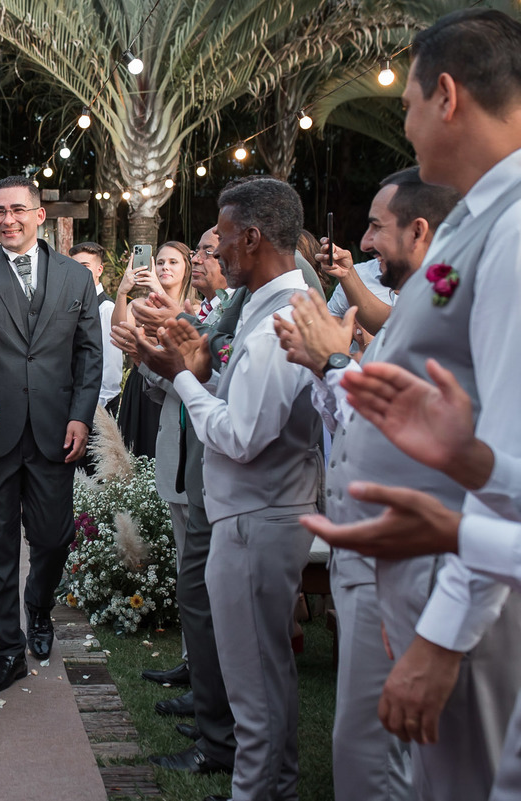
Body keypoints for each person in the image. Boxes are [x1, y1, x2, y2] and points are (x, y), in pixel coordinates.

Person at [295, 11, 521, 799]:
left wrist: (444, 633)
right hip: (430, 565)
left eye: (408, 108)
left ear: (447, 96)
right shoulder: (479, 217)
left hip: (469, 579)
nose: (410, 129)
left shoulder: (515, 227)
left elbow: (507, 452)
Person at [122, 177, 322, 801]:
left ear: (254, 237)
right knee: (262, 680)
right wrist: (179, 365)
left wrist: (182, 376)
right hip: (255, 510)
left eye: (224, 235)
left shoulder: (278, 321)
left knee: (255, 685)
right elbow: (233, 396)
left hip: (256, 517)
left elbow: (238, 435)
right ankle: (272, 788)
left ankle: (258, 792)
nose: (217, 248)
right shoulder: (266, 309)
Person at [275, 166, 460, 801]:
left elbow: (403, 427)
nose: (367, 241)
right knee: (366, 742)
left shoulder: (441, 310)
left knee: (376, 748)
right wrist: (323, 363)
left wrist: (331, 362)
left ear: (420, 230)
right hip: (368, 549)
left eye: (378, 229)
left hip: (406, 554)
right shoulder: (416, 308)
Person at [0, 176, 103, 692]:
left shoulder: (75, 278)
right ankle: (7, 649)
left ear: (39, 215)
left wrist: (81, 414)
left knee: (54, 538)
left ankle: (39, 605)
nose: (6, 219)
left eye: (16, 210)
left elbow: (88, 353)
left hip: (57, 430)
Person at [137, 228, 237, 780]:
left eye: (205, 251)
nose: (202, 259)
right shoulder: (218, 311)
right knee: (194, 588)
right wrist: (157, 362)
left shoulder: (236, 313)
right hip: (192, 454)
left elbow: (217, 388)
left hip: (230, 473)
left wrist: (177, 357)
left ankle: (221, 733)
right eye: (196, 251)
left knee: (216, 604)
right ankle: (208, 704)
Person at [113, 241, 194, 458]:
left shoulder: (194, 308)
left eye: (173, 262)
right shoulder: (140, 304)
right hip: (141, 384)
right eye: (159, 263)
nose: (165, 267)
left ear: (186, 267)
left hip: (176, 385)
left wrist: (159, 291)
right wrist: (122, 292)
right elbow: (118, 332)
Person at [69, 241, 123, 409]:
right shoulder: (74, 304)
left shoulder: (106, 308)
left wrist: (95, 408)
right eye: (74, 266)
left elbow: (111, 368)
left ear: (99, 270)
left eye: (85, 266)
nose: (78, 271)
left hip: (98, 405)